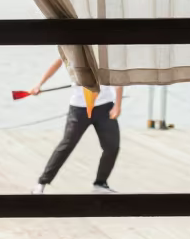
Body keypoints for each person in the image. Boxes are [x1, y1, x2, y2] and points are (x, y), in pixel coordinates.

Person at [29, 56, 122, 194]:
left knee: (112, 146)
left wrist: (118, 105)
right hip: (80, 108)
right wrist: (39, 84)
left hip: (105, 106)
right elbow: (57, 63)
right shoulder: (72, 48)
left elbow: (118, 77)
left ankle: (100, 183)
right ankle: (42, 182)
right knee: (67, 145)